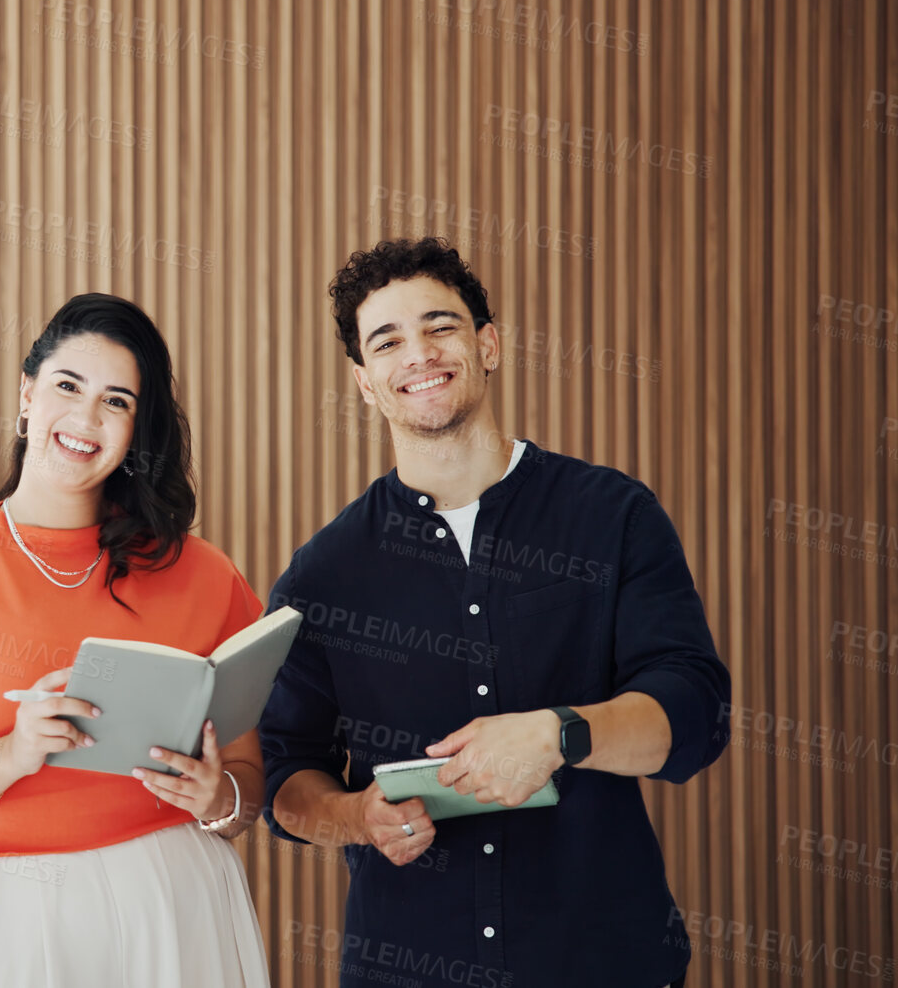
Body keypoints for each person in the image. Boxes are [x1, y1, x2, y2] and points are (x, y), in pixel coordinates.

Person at [258, 238, 731, 988]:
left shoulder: (611, 515)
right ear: (363, 382)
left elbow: (695, 716)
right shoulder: (322, 574)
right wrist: (357, 817)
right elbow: (285, 775)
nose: (418, 353)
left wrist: (562, 733)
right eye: (387, 340)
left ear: (487, 343)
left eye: (439, 325)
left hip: (603, 961)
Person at [0, 293, 272, 987]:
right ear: (26, 395)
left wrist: (215, 798)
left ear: (137, 429)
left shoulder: (204, 573)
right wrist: (11, 753)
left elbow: (247, 789)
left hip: (179, 899)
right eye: (66, 386)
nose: (84, 419)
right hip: (17, 918)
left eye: (116, 401)